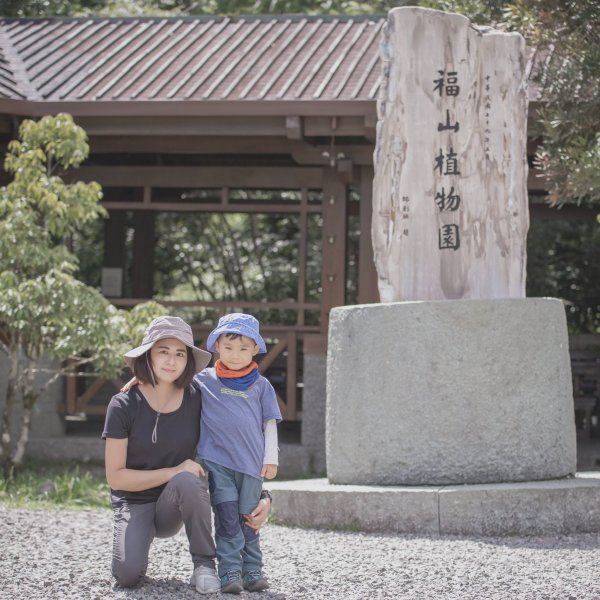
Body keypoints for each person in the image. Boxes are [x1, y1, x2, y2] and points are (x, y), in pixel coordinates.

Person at [102, 315, 271, 594]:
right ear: (148, 355)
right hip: (134, 501)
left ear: (188, 360)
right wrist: (173, 471)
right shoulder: (122, 405)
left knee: (188, 480)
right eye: (163, 352)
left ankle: (204, 565)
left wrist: (262, 495)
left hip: (178, 499)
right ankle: (137, 541)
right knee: (127, 576)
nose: (171, 361)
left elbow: (240, 439)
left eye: (179, 354)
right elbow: (116, 478)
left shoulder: (199, 395)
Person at [196, 313, 282, 594]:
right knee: (227, 515)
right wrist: (140, 380)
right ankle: (230, 569)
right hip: (219, 463)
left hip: (252, 465)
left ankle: (253, 568)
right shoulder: (204, 380)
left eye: (243, 348)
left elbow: (269, 424)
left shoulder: (261, 386)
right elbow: (172, 386)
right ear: (217, 346)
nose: (235, 355)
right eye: (228, 347)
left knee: (250, 516)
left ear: (255, 349)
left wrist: (271, 459)